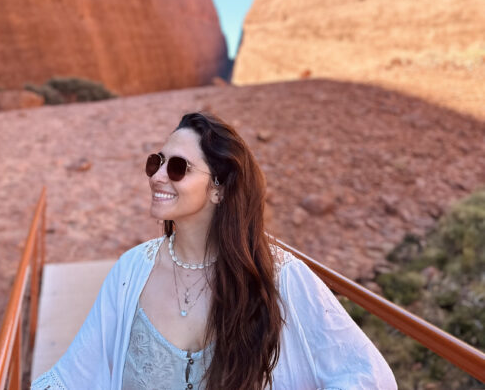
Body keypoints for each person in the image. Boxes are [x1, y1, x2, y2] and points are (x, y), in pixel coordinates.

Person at [32, 112, 397, 389]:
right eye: (156, 162)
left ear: (219, 190)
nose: (158, 176)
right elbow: (73, 375)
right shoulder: (131, 271)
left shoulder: (279, 275)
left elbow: (367, 375)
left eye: (178, 168)